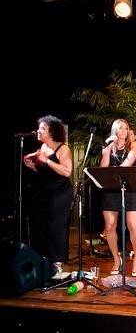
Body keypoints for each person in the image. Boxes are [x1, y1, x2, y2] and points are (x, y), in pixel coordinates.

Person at [23, 115, 73, 278]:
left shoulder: (63, 149)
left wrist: (47, 161)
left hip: (59, 193)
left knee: (55, 227)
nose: (38, 131)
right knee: (40, 224)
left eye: (42, 128)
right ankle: (42, 263)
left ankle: (57, 264)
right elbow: (45, 172)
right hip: (43, 191)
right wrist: (32, 166)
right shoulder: (42, 147)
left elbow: (66, 171)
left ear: (52, 131)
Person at [100, 118, 136, 277]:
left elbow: (129, 161)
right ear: (115, 131)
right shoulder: (109, 147)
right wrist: (107, 149)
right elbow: (103, 168)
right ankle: (117, 260)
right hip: (111, 189)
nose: (124, 131)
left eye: (126, 128)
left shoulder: (134, 145)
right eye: (121, 128)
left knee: (132, 224)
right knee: (110, 226)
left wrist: (116, 171)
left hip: (130, 188)